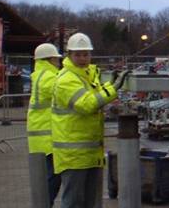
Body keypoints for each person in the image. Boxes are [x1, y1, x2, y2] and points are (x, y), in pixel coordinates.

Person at [51, 33, 129, 208]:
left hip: (90, 153)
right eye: (78, 54)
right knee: (73, 202)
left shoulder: (86, 76)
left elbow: (94, 95)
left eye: (86, 54)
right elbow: (86, 105)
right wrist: (113, 89)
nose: (82, 58)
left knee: (91, 202)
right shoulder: (66, 79)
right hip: (73, 155)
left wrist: (110, 85)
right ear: (69, 55)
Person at [27, 43, 63, 206]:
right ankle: (45, 204)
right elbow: (64, 94)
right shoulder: (49, 77)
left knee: (48, 175)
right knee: (54, 174)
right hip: (47, 135)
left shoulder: (39, 74)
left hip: (40, 133)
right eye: (56, 59)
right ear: (49, 59)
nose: (58, 62)